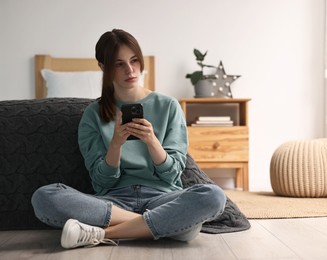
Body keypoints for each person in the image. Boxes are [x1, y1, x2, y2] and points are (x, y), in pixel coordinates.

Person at [31, 29, 226, 249]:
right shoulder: (92, 115)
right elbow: (101, 182)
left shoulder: (169, 106)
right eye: (119, 64)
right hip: (113, 202)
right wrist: (115, 144)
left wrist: (152, 141)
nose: (130, 70)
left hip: (163, 198)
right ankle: (159, 226)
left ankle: (101, 234)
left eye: (134, 60)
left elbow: (173, 174)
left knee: (213, 196)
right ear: (103, 68)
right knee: (44, 197)